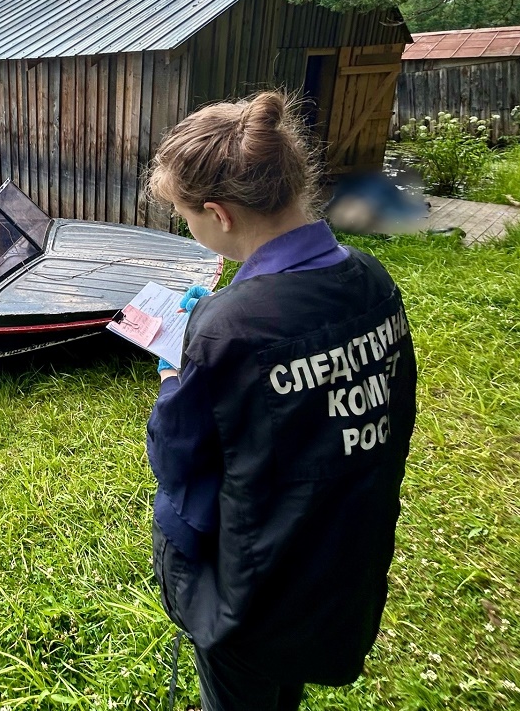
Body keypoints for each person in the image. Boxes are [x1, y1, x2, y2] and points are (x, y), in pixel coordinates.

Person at [144, 91, 417, 711]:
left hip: (249, 582)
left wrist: (174, 373)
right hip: (341, 552)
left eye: (187, 214)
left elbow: (174, 456)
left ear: (219, 214)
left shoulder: (228, 328)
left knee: (241, 694)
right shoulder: (372, 279)